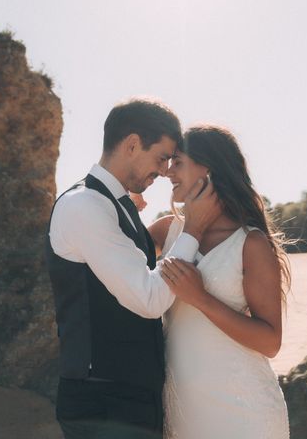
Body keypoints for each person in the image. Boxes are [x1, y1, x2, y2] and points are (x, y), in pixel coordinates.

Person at [46, 99, 220, 439]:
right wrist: (193, 230)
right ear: (131, 144)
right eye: (160, 158)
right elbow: (149, 298)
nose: (165, 171)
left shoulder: (114, 205)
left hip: (130, 399)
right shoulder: (84, 206)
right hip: (102, 402)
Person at [148, 125, 291, 439]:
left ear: (208, 170)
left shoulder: (249, 244)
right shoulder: (167, 231)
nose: (168, 171)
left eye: (178, 162)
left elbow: (270, 342)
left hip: (244, 413)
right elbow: (118, 260)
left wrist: (200, 298)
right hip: (185, 412)